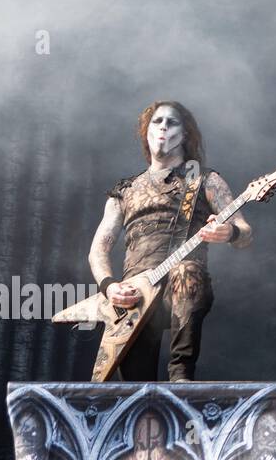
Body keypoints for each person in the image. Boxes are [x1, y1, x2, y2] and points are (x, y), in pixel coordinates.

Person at [87, 101, 252, 381]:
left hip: (182, 285)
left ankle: (181, 375)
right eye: (157, 121)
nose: (163, 126)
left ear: (185, 134)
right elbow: (98, 250)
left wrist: (230, 233)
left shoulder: (205, 179)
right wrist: (109, 286)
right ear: (146, 132)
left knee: (185, 271)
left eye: (172, 122)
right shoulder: (124, 190)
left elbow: (244, 231)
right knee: (136, 389)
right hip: (135, 296)